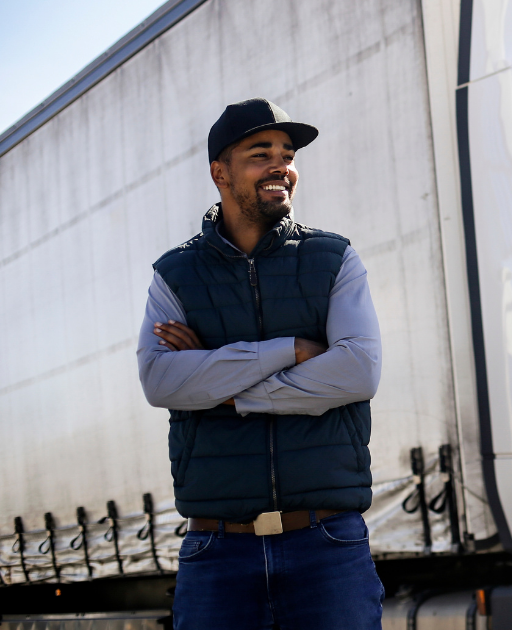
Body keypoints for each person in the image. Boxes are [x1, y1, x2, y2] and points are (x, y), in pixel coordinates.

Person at [136, 97, 384, 629]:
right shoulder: (175, 274)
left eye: (287, 154)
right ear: (219, 173)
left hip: (328, 545)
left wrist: (220, 384)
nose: (281, 166)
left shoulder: (334, 258)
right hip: (216, 550)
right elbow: (160, 381)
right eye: (260, 153)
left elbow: (358, 370)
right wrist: (288, 351)